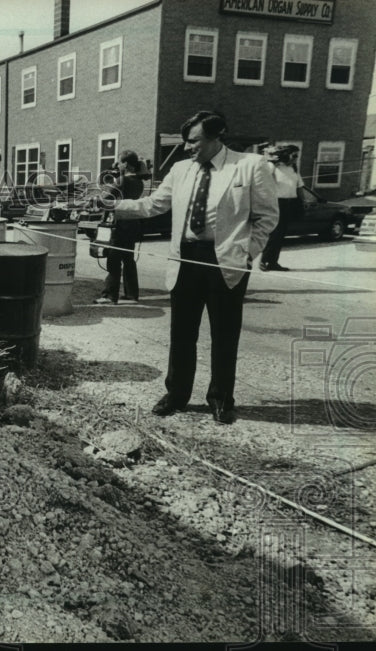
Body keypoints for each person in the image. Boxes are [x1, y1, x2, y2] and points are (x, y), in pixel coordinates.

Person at [105, 110, 278, 424]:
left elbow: (267, 217)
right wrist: (114, 206)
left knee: (225, 335)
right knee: (182, 333)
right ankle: (176, 395)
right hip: (185, 258)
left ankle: (221, 399)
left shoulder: (250, 166)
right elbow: (153, 204)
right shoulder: (181, 169)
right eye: (186, 141)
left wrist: (247, 253)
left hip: (225, 260)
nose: (187, 147)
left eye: (194, 141)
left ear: (216, 136)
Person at [95, 150, 145, 304]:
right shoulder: (139, 182)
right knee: (128, 259)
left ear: (126, 164)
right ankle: (132, 294)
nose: (117, 164)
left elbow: (106, 198)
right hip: (132, 224)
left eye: (119, 162)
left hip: (119, 225)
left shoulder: (122, 181)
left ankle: (110, 295)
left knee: (113, 260)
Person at [259, 145, 304, 271]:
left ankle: (273, 262)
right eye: (294, 155)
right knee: (274, 232)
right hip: (277, 202)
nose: (296, 159)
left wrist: (303, 201)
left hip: (290, 203)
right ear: (286, 154)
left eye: (297, 156)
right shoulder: (273, 166)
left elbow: (299, 186)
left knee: (281, 234)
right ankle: (263, 260)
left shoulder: (293, 168)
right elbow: (263, 182)